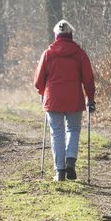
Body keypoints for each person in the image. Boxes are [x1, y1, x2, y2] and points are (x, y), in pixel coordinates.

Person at [34, 19, 96, 181]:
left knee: (56, 133)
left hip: (53, 99)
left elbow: (38, 81)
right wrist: (90, 98)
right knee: (73, 130)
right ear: (70, 35)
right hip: (74, 99)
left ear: (56, 35)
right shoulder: (79, 53)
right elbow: (88, 79)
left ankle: (60, 171)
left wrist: (43, 92)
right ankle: (70, 160)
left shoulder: (48, 53)